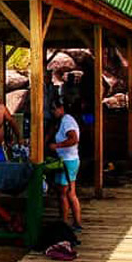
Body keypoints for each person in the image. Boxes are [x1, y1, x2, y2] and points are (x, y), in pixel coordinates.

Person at [49, 98, 83, 233]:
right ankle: (74, 222)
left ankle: (65, 222)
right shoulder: (61, 121)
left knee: (65, 193)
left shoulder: (67, 121)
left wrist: (57, 146)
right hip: (67, 159)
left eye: (54, 109)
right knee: (67, 192)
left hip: (68, 160)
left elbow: (74, 139)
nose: (53, 112)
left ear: (61, 108)